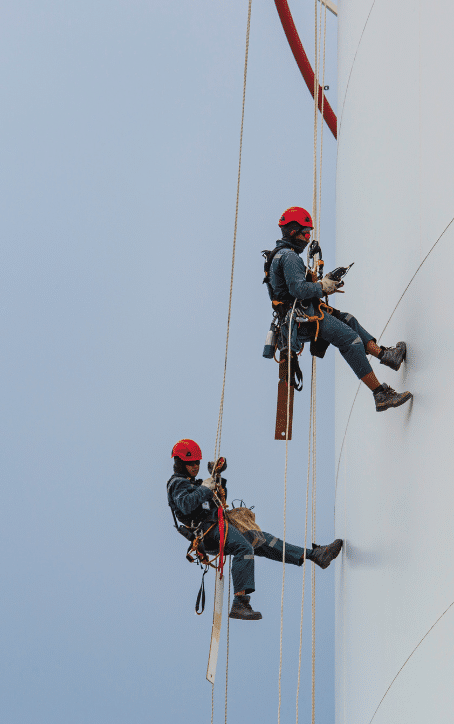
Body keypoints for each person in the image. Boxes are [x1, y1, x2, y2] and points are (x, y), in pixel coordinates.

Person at [165, 438, 344, 620]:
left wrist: (217, 479)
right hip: (207, 532)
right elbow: (186, 505)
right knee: (244, 548)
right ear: (179, 463)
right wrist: (205, 487)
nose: (195, 466)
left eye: (197, 462)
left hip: (218, 526)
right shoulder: (177, 484)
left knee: (263, 539)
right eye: (190, 463)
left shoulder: (194, 484)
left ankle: (315, 555)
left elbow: (215, 502)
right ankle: (240, 604)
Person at [267, 206, 412, 413]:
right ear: (293, 231)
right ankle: (380, 393)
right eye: (306, 233)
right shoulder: (289, 257)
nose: (308, 238)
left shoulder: (279, 255)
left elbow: (293, 291)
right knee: (350, 340)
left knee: (348, 320)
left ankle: (387, 356)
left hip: (302, 316)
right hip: (303, 318)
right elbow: (297, 289)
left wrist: (324, 285)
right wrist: (322, 286)